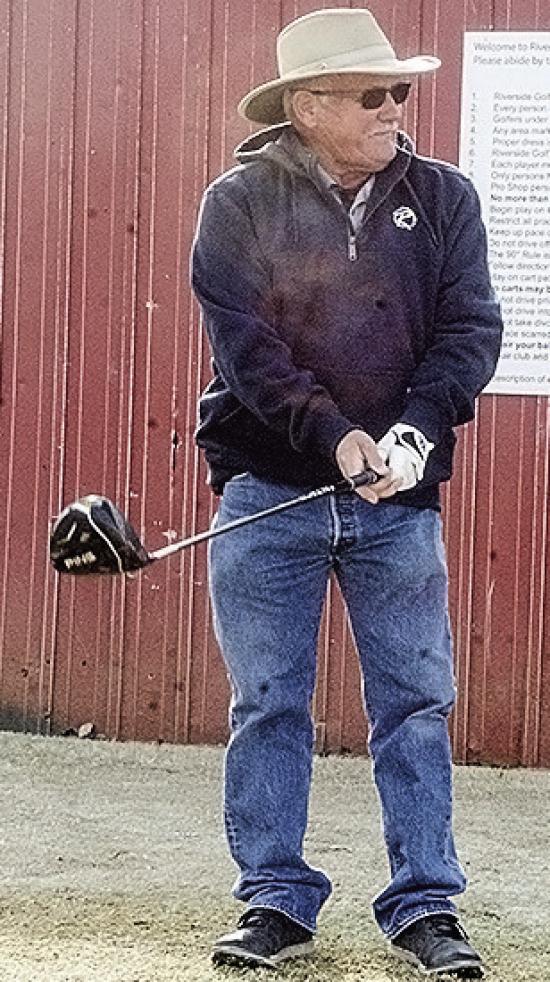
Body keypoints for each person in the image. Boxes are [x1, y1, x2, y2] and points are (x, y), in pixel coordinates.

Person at [191, 7, 502, 977]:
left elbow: (468, 330)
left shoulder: (443, 196)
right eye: (373, 93)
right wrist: (336, 438)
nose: (394, 108)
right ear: (309, 104)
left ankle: (424, 905)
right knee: (269, 702)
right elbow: (249, 352)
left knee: (413, 701)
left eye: (397, 90)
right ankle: (274, 901)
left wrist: (413, 428)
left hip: (398, 500)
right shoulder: (237, 201)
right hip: (266, 491)